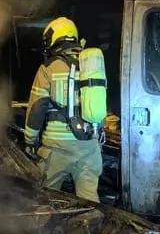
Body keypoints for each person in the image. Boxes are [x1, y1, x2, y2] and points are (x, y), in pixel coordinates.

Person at [23, 16, 104, 202]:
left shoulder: (48, 67)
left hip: (57, 148)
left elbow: (37, 108)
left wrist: (29, 140)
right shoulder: (91, 64)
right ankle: (91, 229)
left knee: (45, 200)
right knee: (90, 202)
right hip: (89, 146)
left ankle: (47, 230)